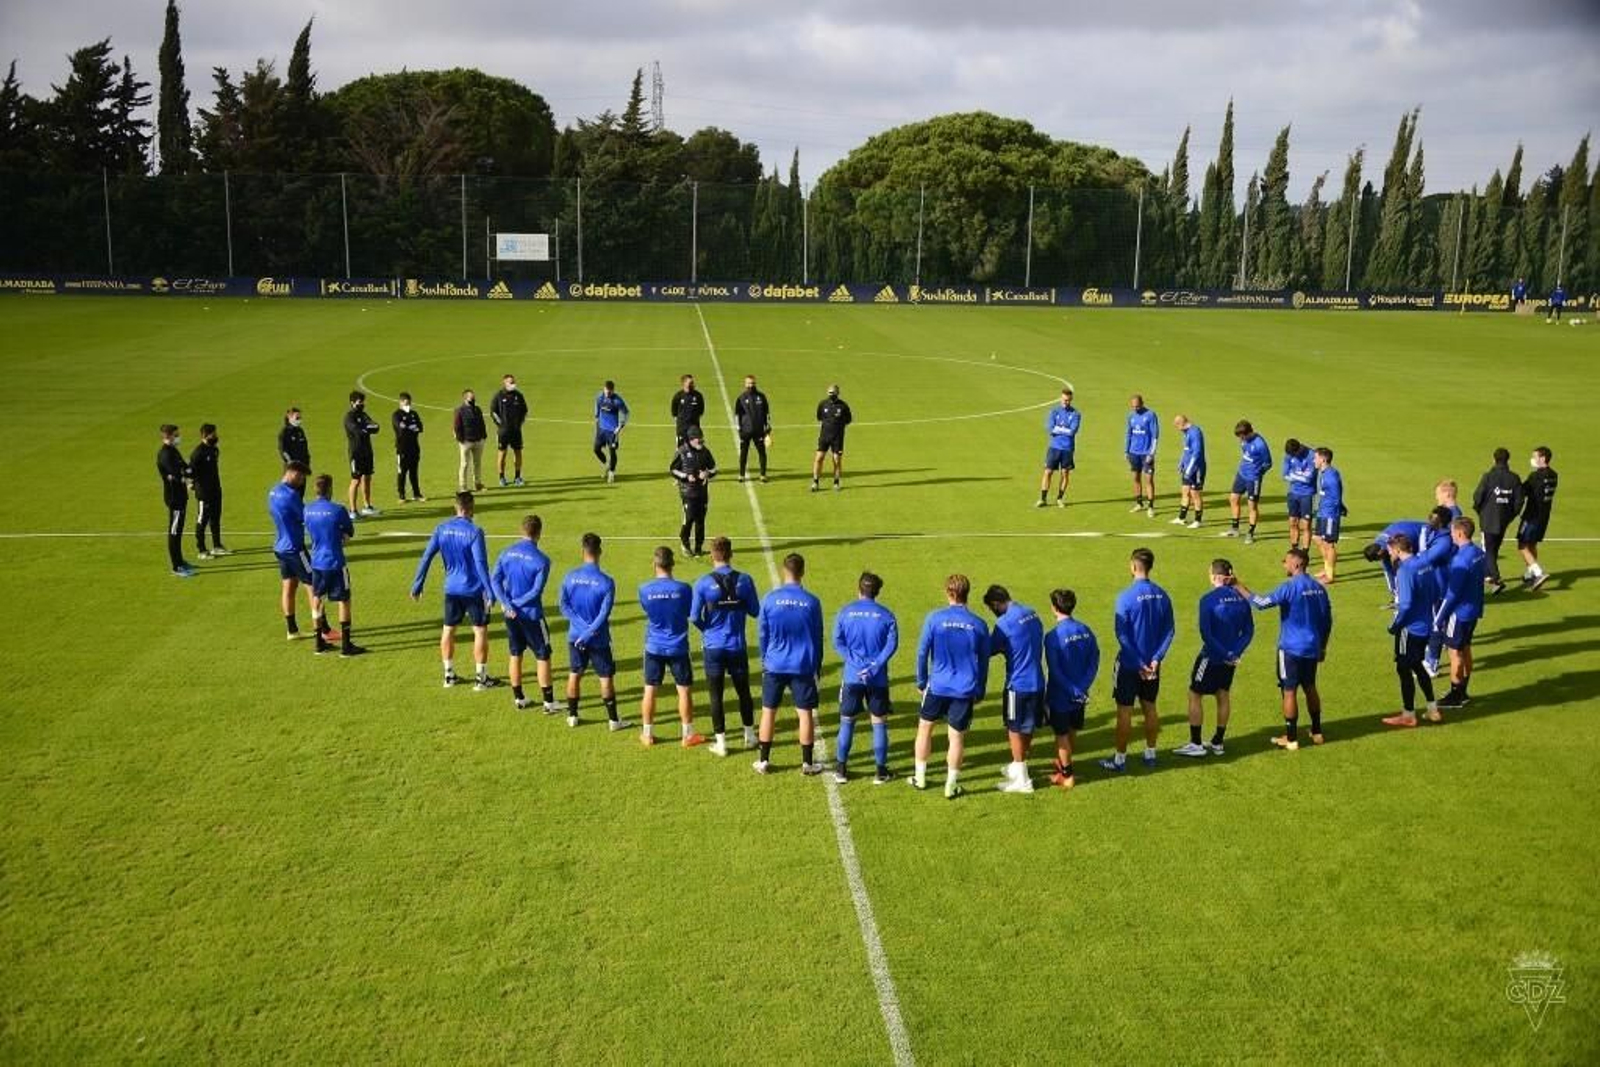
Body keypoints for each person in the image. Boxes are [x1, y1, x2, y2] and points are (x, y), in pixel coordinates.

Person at [1239, 547, 1333, 750]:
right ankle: (1317, 732)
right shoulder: (1319, 588)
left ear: (1297, 564)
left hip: (1290, 649)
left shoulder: (1290, 587)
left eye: (1287, 561)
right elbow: (1327, 621)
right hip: (1312, 647)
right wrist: (1322, 648)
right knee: (1310, 686)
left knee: (1289, 691)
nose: (1284, 564)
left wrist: (1239, 586)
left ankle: (1291, 738)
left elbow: (1262, 603)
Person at [409, 491, 499, 691]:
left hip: (451, 588)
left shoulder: (441, 529)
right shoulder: (475, 532)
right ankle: (480, 678)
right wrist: (490, 591)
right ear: (471, 508)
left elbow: (426, 557)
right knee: (480, 630)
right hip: (474, 590)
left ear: (456, 507)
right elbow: (481, 564)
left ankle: (449, 675)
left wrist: (418, 583)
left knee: (448, 629)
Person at [911, 574, 990, 798]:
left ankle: (921, 777)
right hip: (964, 689)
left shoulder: (934, 619)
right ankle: (950, 785)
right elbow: (984, 661)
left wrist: (921, 680)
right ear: (968, 593)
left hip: (937, 685)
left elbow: (922, 652)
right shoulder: (979, 624)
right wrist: (981, 688)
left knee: (925, 728)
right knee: (956, 737)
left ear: (948, 592)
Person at [1099, 547, 1174, 772]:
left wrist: (1139, 661)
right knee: (1150, 707)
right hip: (1153, 665)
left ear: (1133, 567)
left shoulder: (1125, 597)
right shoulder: (1163, 595)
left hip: (1131, 664)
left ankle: (1120, 760)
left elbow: (1122, 634)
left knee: (1125, 711)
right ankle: (1150, 754)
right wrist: (1156, 659)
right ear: (1150, 567)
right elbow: (1169, 631)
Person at [753, 553, 826, 775]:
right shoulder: (812, 602)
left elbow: (762, 634)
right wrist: (817, 665)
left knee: (768, 712)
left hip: (774, 664)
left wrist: (765, 658)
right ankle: (807, 763)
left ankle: (764, 760)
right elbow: (818, 636)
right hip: (802, 665)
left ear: (784, 571)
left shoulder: (769, 599)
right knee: (804, 714)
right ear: (802, 572)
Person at [1175, 559, 1253, 758]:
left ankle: (1196, 743)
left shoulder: (1208, 599)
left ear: (1216, 576)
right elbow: (1249, 631)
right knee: (1223, 694)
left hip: (1211, 657)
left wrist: (1225, 653)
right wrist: (1235, 652)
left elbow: (1206, 633)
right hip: (1231, 659)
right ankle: (1218, 741)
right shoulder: (1242, 598)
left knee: (1194, 694)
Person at [691, 536, 761, 756]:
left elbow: (694, 617)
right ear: (731, 554)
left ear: (712, 555)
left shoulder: (702, 583)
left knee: (716, 694)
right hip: (737, 646)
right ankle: (749, 735)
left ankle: (721, 743)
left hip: (713, 647)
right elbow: (755, 611)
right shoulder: (745, 580)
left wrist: (707, 630)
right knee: (743, 691)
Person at [831, 571, 899, 784]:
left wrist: (856, 663)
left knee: (847, 722)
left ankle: (841, 770)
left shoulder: (845, 612)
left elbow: (838, 642)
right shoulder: (887, 616)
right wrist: (874, 666)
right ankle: (880, 772)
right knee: (879, 722)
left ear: (859, 588)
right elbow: (892, 645)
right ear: (877, 592)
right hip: (877, 679)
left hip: (852, 677)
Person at [558, 533, 629, 730]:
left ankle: (572, 716)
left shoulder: (569, 577)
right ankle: (614, 721)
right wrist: (589, 632)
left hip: (575, 636)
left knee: (574, 673)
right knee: (605, 678)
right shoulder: (607, 582)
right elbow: (604, 614)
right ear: (599, 552)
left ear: (583, 551)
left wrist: (580, 629)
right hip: (598, 639)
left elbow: (564, 606)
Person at [491, 514, 560, 713]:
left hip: (510, 616)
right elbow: (535, 592)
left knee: (515, 653)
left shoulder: (506, 553)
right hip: (531, 615)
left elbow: (495, 580)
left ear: (522, 531)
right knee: (543, 656)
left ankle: (519, 698)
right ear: (539, 533)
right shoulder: (542, 561)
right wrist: (515, 604)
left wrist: (507, 604)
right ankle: (548, 703)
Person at [638, 546, 705, 749]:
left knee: (650, 689)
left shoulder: (644, 589)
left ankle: (647, 733)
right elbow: (688, 612)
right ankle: (687, 735)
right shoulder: (683, 589)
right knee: (684, 690)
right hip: (678, 647)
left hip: (654, 647)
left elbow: (647, 610)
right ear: (672, 564)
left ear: (654, 564)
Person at [983, 584, 1045, 794]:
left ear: (996, 604)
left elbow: (989, 649)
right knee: (1028, 727)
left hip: (1017, 685)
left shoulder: (1004, 623)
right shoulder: (1033, 613)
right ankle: (1019, 767)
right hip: (1038, 681)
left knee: (1014, 728)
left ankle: (1023, 780)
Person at [303, 473, 365, 657]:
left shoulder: (307, 510)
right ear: (329, 489)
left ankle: (318, 643)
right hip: (335, 562)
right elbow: (349, 533)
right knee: (344, 600)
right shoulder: (338, 510)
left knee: (317, 598)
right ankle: (346, 646)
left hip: (317, 563)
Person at [1382, 533, 1441, 727]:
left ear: (1398, 550)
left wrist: (1396, 625)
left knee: (1404, 668)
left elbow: (1405, 605)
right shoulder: (1425, 564)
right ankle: (1432, 709)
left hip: (1410, 627)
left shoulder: (1405, 570)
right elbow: (1435, 593)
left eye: (1390, 550)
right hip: (1425, 624)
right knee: (1417, 665)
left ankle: (1408, 714)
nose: (1389, 553)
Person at [1042, 588, 1099, 789]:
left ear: (1054, 608)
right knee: (1073, 729)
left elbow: (1055, 670)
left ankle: (1066, 776)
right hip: (1081, 693)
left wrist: (1073, 690)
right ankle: (1065, 764)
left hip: (1061, 694)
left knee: (1061, 734)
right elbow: (1094, 660)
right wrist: (1083, 687)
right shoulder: (1086, 630)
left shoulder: (1052, 636)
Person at [267, 462, 322, 639]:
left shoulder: (273, 491)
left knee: (289, 586)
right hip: (295, 548)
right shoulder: (291, 496)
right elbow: (305, 517)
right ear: (290, 473)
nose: (301, 481)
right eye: (300, 477)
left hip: (280, 547)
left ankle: (292, 630)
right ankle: (322, 630)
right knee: (314, 586)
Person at [1436, 517, 1486, 709]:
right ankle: (1463, 690)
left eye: (1451, 532)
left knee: (1454, 652)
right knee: (1465, 648)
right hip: (1474, 609)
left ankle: (1456, 695)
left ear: (1459, 533)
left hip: (1459, 613)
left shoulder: (1461, 560)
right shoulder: (1478, 553)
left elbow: (1452, 594)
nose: (1450, 535)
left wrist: (1439, 618)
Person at [1472, 447, 1521, 594]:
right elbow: (1519, 501)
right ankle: (1488, 575)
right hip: (1504, 518)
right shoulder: (1514, 478)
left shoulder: (1488, 477)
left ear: (1494, 459)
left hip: (1488, 518)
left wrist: (1480, 511)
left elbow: (1477, 496)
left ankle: (1496, 579)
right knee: (1494, 548)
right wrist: (1510, 515)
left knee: (1489, 550)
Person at [669, 428, 717, 558]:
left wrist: (707, 473)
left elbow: (714, 468)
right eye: (698, 438)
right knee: (689, 518)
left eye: (702, 438)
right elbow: (672, 470)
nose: (701, 440)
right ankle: (685, 543)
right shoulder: (682, 452)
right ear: (691, 439)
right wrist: (685, 476)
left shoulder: (705, 452)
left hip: (702, 492)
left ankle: (698, 548)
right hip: (688, 492)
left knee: (701, 520)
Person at [1225, 420, 1272, 544]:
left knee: (1252, 506)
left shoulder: (1260, 444)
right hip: (1241, 474)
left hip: (1253, 479)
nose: (1241, 439)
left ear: (1249, 433)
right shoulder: (1243, 440)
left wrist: (1257, 474)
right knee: (1233, 499)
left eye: (1242, 436)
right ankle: (1235, 528)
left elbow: (1268, 463)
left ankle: (1250, 533)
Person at [157, 424, 195, 577]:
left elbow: (184, 468)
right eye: (176, 434)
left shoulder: (173, 451)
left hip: (180, 495)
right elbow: (178, 473)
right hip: (174, 498)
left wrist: (188, 473)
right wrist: (187, 477)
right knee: (174, 532)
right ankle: (176, 566)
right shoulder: (165, 454)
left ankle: (180, 560)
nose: (179, 437)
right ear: (169, 436)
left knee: (178, 531)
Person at [1517, 446, 1558, 590]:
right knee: (1532, 544)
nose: (1532, 460)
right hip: (1544, 516)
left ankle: (1539, 573)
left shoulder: (1535, 476)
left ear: (1543, 458)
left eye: (1535, 457)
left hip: (1531, 516)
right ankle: (1530, 573)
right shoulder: (1554, 475)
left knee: (1522, 545)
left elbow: (1522, 491)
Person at [189, 423, 228, 560]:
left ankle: (217, 546)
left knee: (215, 518)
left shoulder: (214, 450)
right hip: (204, 493)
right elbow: (191, 471)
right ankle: (201, 550)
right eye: (213, 434)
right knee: (202, 520)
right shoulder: (198, 453)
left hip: (216, 490)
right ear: (205, 435)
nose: (216, 436)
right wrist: (192, 483)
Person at [1037, 387, 1080, 508]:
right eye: (1064, 400)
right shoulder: (1054, 411)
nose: (1066, 403)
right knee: (1048, 472)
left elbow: (1073, 431)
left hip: (1067, 448)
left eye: (1068, 400)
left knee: (1065, 473)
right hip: (1054, 447)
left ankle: (1060, 498)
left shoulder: (1075, 414)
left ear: (1071, 400)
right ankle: (1043, 499)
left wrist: (1059, 429)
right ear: (1061, 398)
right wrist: (1064, 430)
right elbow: (1050, 428)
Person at [344, 390, 381, 519]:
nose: (362, 404)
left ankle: (367, 506)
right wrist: (366, 429)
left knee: (367, 478)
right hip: (356, 452)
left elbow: (376, 427)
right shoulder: (349, 417)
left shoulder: (363, 415)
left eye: (363, 402)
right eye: (360, 402)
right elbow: (357, 431)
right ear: (352, 402)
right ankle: (353, 510)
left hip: (367, 451)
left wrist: (366, 429)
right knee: (356, 480)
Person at [1312, 447, 1344, 584]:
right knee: (1317, 538)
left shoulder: (1331, 476)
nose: (1314, 460)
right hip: (1322, 512)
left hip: (1330, 515)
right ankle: (1326, 567)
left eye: (1316, 458)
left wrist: (1339, 509)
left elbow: (1336, 497)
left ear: (1323, 459)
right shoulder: (1324, 473)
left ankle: (1330, 575)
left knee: (1329, 544)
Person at [812, 384, 853, 492]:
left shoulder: (843, 406)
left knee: (836, 460)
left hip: (837, 438)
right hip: (824, 437)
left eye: (833, 393)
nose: (831, 395)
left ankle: (836, 482)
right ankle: (815, 482)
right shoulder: (822, 404)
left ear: (837, 393)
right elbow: (819, 417)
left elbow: (848, 420)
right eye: (829, 393)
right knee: (818, 458)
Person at [490, 373, 528, 487]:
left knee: (518, 453)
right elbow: (493, 412)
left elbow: (525, 411)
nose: (513, 384)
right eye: (511, 382)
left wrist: (519, 423)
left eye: (514, 382)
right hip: (503, 431)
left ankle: (517, 477)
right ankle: (502, 477)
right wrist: (500, 425)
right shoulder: (498, 396)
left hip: (516, 431)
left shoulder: (519, 395)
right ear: (505, 383)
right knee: (502, 454)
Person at [1124, 394, 1159, 517]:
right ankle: (1139, 503)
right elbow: (1128, 434)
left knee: (1149, 479)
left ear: (1142, 403)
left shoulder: (1150, 415)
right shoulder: (1131, 416)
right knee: (1136, 478)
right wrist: (1126, 451)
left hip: (1146, 454)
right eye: (1133, 406)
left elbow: (1155, 435)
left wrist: (1152, 452)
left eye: (1137, 406)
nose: (1135, 408)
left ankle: (1150, 506)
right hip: (1134, 453)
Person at [734, 374, 772, 482]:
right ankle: (741, 475)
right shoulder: (741, 398)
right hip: (745, 431)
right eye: (749, 383)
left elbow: (767, 414)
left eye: (753, 383)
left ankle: (763, 475)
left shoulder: (761, 397)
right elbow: (737, 415)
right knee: (744, 453)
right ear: (745, 384)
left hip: (759, 431)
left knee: (762, 452)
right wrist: (739, 429)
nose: (751, 385)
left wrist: (768, 431)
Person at [1171, 414, 1206, 528]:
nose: (1177, 429)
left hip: (1196, 469)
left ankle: (1198, 520)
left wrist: (1190, 469)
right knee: (1185, 491)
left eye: (1177, 426)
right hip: (1187, 468)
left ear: (1181, 423)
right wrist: (1181, 463)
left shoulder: (1195, 433)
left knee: (1195, 494)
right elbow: (1186, 450)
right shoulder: (1186, 433)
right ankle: (1181, 518)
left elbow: (1197, 453)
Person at [1282, 439, 1317, 550]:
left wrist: (1293, 475)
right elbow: (1284, 475)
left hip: (1307, 494)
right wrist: (1300, 476)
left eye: (1294, 454)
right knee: (1293, 522)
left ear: (1299, 449)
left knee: (1306, 525)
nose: (1293, 457)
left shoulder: (1312, 455)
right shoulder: (1289, 455)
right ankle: (1294, 550)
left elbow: (1308, 479)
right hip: (1293, 493)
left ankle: (1305, 552)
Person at [592, 380, 629, 483]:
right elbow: (597, 406)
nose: (607, 393)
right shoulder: (600, 397)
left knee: (612, 451)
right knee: (596, 449)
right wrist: (596, 418)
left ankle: (612, 472)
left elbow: (626, 413)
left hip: (612, 431)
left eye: (609, 392)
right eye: (606, 391)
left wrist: (620, 426)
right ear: (604, 389)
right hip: (601, 429)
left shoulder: (617, 401)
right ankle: (606, 464)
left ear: (613, 390)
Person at [452, 388, 488, 492]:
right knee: (464, 464)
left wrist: (483, 436)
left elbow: (482, 423)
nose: (473, 399)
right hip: (466, 441)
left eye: (473, 397)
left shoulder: (477, 409)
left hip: (478, 440)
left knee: (477, 463)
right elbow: (457, 426)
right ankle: (463, 485)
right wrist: (460, 439)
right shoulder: (459, 410)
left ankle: (478, 483)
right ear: (465, 398)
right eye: (471, 397)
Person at [392, 392, 425, 503]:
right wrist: (412, 427)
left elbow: (420, 427)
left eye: (409, 403)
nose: (408, 405)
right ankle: (401, 495)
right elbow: (401, 428)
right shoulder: (396, 415)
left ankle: (417, 494)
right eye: (406, 403)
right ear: (400, 402)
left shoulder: (414, 414)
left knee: (414, 472)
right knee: (402, 472)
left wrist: (412, 427)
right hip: (402, 448)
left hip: (414, 447)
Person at [670, 373, 707, 446]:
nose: (692, 384)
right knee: (681, 451)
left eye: (693, 383)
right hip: (682, 430)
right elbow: (674, 413)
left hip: (695, 430)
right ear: (684, 383)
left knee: (697, 450)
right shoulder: (678, 396)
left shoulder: (698, 396)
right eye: (690, 383)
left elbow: (701, 411)